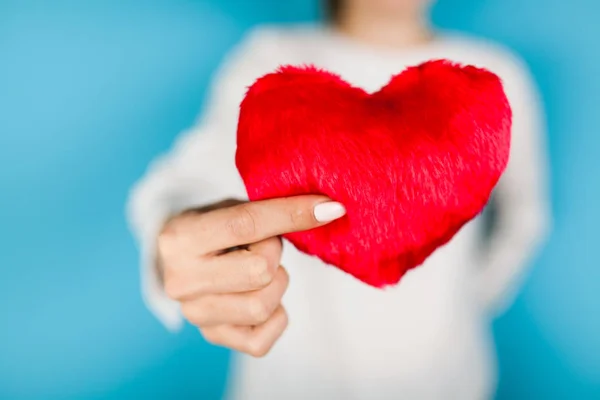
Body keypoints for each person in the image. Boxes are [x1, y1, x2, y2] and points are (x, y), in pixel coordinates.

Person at [127, 0, 551, 399]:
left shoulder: (494, 74)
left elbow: (523, 218)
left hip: (445, 379)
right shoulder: (270, 58)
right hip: (289, 379)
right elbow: (181, 187)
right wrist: (183, 249)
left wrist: (461, 307)